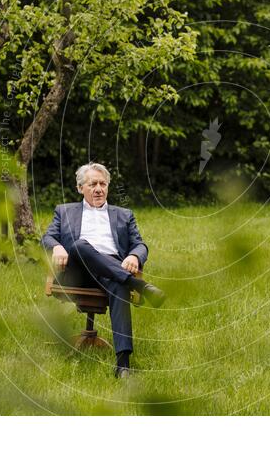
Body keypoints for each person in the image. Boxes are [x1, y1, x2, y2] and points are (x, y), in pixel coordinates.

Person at [41, 162, 165, 378]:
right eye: (92, 184)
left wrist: (135, 255)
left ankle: (123, 365)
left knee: (118, 282)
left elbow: (140, 244)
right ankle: (137, 284)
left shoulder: (124, 215)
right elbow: (47, 237)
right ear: (80, 188)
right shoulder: (64, 211)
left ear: (107, 186)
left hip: (112, 271)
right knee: (80, 245)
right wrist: (58, 246)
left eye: (102, 184)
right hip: (77, 272)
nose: (98, 188)